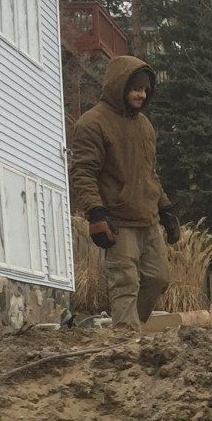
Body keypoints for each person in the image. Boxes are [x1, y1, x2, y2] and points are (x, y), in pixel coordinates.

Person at [70, 55, 181, 329]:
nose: (141, 95)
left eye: (145, 90)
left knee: (158, 278)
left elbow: (148, 173)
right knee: (125, 283)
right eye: (136, 89)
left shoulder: (145, 126)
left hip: (149, 219)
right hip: (117, 221)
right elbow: (83, 172)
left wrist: (165, 208)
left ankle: (131, 329)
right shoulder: (92, 123)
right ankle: (125, 342)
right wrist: (95, 213)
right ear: (119, 86)